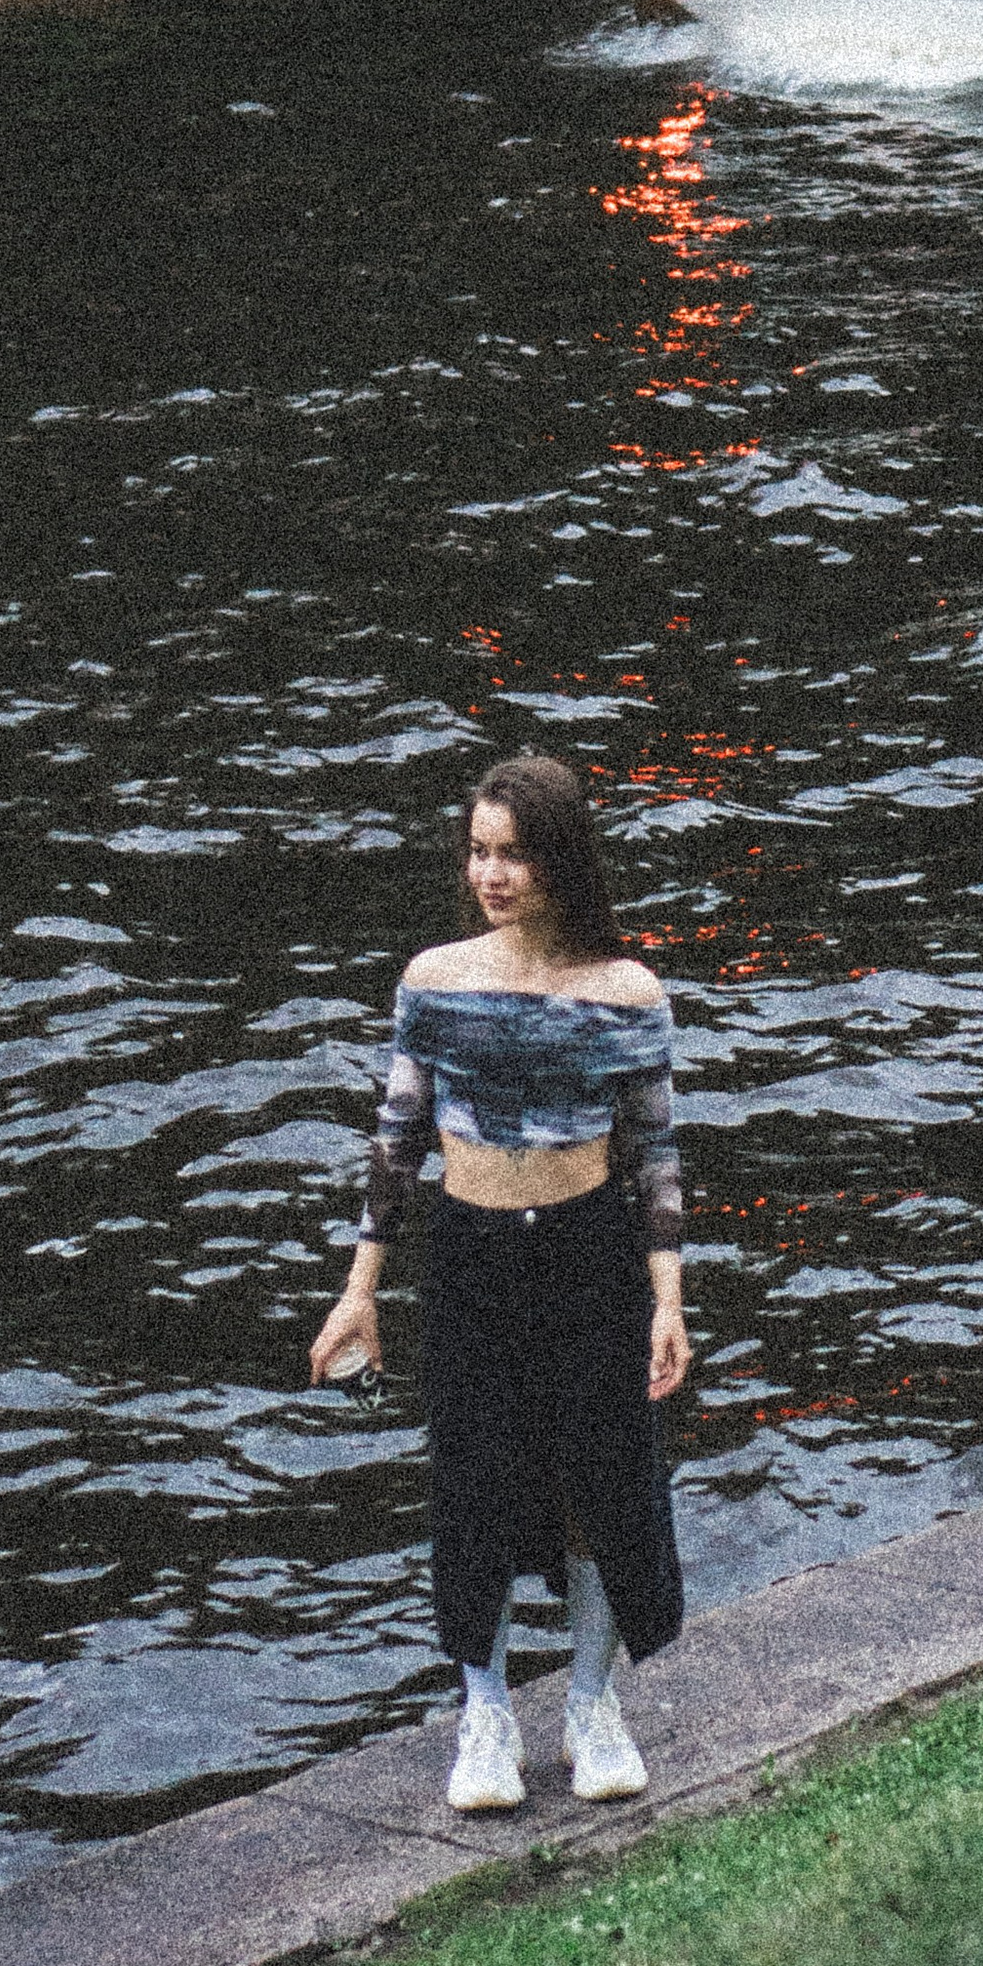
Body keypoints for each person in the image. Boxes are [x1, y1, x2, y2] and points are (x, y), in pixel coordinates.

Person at [309, 754, 691, 1814]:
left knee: (599, 1477)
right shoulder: (433, 982)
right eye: (478, 852)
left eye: (513, 854)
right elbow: (395, 1143)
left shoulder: (626, 993)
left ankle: (588, 1702)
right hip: (470, 1250)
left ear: (559, 860)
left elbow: (656, 1156)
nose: (492, 874)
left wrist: (667, 1300)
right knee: (472, 1480)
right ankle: (483, 1715)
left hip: (588, 1252)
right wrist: (360, 1291)